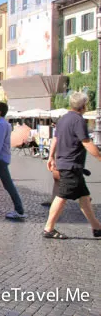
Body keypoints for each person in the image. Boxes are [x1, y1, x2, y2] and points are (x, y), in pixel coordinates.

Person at [43, 92, 101, 239]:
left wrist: (51, 157)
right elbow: (86, 142)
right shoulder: (78, 120)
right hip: (71, 165)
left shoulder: (63, 119)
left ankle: (97, 228)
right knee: (62, 196)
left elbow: (55, 139)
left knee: (84, 197)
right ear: (83, 106)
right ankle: (48, 228)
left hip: (67, 163)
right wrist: (100, 157)